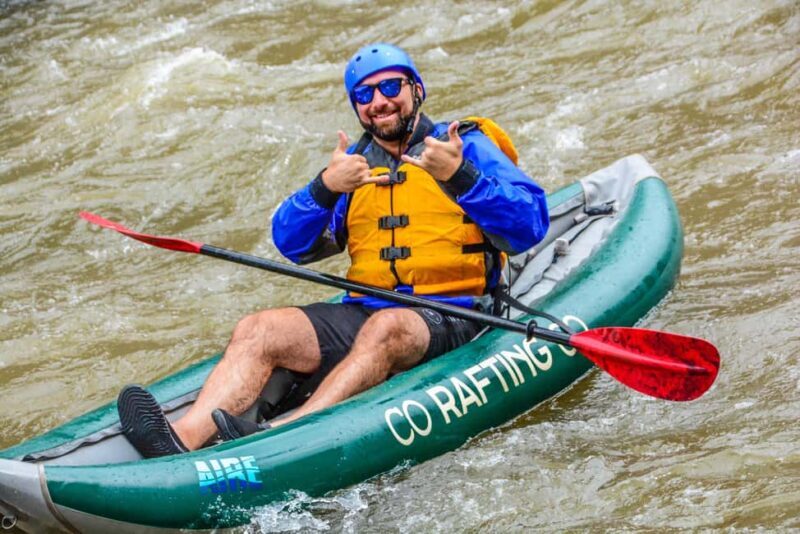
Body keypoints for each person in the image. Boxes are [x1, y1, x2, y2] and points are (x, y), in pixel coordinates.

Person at [117, 43, 550, 458]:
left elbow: (531, 224)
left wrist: (461, 176)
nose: (378, 101)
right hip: (367, 309)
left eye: (389, 87)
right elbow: (292, 246)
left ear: (416, 90)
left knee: (386, 328)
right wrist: (324, 188)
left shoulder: (463, 146)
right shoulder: (355, 167)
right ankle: (180, 440)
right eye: (364, 94)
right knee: (259, 328)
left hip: (456, 313)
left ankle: (288, 433)